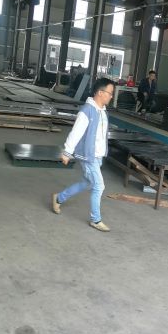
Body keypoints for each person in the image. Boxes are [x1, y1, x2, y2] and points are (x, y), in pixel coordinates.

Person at [52, 78, 115, 232]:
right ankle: (95, 220)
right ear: (100, 93)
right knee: (99, 186)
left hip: (98, 156)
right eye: (110, 93)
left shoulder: (102, 111)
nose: (111, 96)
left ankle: (59, 198)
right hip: (88, 156)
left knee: (86, 183)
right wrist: (67, 152)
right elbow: (76, 132)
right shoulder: (87, 111)